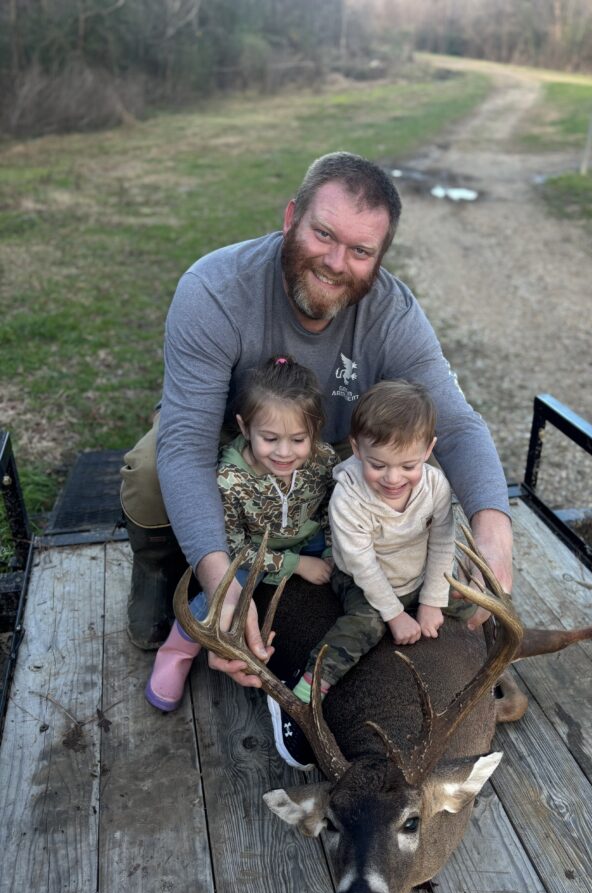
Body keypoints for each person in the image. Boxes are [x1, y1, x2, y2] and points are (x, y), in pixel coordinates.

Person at [120, 151, 514, 687]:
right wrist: (221, 583)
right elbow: (187, 447)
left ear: (379, 259)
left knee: (402, 486)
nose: (335, 261)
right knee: (149, 471)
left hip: (326, 452)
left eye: (360, 250)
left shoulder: (393, 314)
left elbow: (460, 427)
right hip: (228, 434)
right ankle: (159, 567)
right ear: (290, 219)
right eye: (323, 234)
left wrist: (495, 532)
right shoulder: (214, 288)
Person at [269, 380, 474, 770]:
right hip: (363, 579)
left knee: (471, 606)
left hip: (415, 574)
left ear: (429, 450)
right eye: (377, 464)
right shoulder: (349, 496)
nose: (393, 478)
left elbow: (443, 543)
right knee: (364, 627)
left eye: (408, 466)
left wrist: (432, 600)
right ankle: (302, 693)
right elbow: (362, 563)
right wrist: (395, 614)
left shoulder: (436, 487)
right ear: (358, 448)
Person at [144, 356, 337, 711]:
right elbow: (232, 548)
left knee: (348, 564)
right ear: (244, 427)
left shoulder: (321, 460)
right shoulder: (229, 480)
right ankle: (175, 654)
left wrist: (327, 552)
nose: (284, 452)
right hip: (252, 552)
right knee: (213, 602)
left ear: (315, 431)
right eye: (270, 438)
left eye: (298, 439)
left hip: (307, 536)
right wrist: (295, 564)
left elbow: (327, 509)